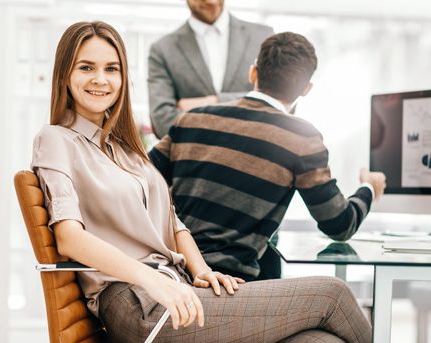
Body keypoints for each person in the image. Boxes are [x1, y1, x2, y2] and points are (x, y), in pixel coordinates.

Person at [31, 21, 372, 343]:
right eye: (86, 68)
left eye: (112, 69)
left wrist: (202, 270)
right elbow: (69, 237)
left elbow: (172, 221)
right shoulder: (56, 139)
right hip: (135, 302)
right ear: (65, 75)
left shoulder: (126, 151)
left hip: (175, 285)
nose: (101, 80)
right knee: (334, 294)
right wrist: (152, 280)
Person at [149, 32, 387, 282]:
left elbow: (138, 179)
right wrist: (369, 187)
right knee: (335, 297)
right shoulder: (301, 138)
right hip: (228, 287)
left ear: (253, 73)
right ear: (306, 89)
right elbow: (340, 224)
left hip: (167, 274)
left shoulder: (192, 119)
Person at [148, 0, 273, 138]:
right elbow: (162, 122)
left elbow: (279, 103)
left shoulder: (263, 37)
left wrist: (213, 102)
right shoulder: (163, 49)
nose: (210, 1)